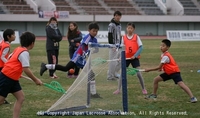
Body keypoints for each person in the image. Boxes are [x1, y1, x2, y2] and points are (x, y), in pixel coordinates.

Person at [40, 22, 101, 98]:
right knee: (67, 68)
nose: (95, 32)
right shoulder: (87, 37)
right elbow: (83, 46)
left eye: (96, 31)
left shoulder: (94, 39)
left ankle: (93, 93)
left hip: (82, 58)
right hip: (78, 57)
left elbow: (95, 50)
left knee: (90, 74)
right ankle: (45, 66)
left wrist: (95, 49)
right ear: (89, 30)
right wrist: (84, 53)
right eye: (93, 31)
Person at [0, 32, 43, 118]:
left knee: (21, 98)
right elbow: (26, 68)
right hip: (6, 78)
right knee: (0, 101)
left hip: (13, 79)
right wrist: (36, 80)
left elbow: (10, 60)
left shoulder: (18, 49)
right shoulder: (24, 52)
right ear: (32, 43)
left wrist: (16, 72)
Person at [113, 23, 147, 95]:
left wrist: (135, 55)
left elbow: (141, 47)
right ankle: (118, 89)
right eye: (128, 28)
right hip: (126, 58)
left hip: (134, 58)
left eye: (131, 28)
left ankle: (144, 88)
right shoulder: (124, 37)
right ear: (126, 29)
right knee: (122, 74)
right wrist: (121, 57)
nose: (130, 30)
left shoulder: (136, 37)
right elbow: (122, 48)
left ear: (133, 29)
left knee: (138, 73)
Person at [0, 29, 16, 104]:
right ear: (8, 37)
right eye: (13, 35)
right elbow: (2, 57)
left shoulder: (3, 42)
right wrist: (8, 64)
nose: (15, 36)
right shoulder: (6, 46)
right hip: (1, 66)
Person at [107, 11, 122, 80]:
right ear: (114, 16)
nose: (118, 17)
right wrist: (112, 45)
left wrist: (120, 44)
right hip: (113, 46)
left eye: (119, 16)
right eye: (116, 15)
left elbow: (119, 35)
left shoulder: (119, 25)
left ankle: (114, 73)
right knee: (112, 61)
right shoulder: (111, 25)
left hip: (118, 46)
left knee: (120, 60)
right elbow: (110, 35)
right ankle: (110, 76)